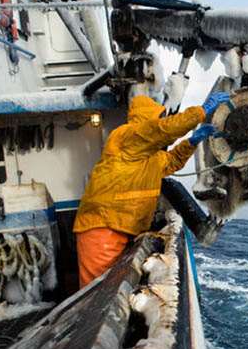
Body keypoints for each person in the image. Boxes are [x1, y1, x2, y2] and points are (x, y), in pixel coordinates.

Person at [73, 89, 230, 288]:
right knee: (95, 293)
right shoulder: (124, 137)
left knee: (113, 291)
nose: (162, 121)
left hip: (124, 228)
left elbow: (171, 161)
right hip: (102, 228)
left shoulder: (150, 156)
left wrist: (191, 143)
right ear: (146, 119)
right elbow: (163, 130)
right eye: (160, 117)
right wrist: (201, 111)